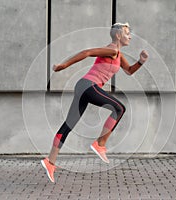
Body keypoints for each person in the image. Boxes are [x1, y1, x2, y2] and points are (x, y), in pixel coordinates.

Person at [41, 22, 149, 183]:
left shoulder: (118, 54)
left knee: (68, 125)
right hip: (88, 86)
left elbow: (129, 71)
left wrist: (140, 62)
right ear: (118, 35)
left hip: (84, 87)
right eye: (127, 33)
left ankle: (50, 162)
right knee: (119, 108)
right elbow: (87, 52)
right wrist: (64, 66)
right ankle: (100, 144)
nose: (130, 36)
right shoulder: (112, 49)